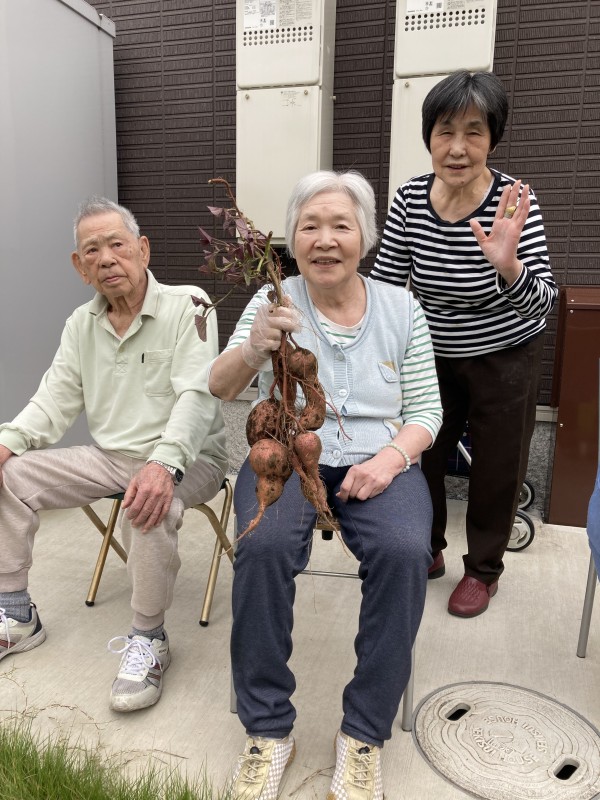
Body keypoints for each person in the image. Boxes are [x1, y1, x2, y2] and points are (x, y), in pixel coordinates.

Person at [209, 171, 442, 800]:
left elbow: (427, 412)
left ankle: (363, 734)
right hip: (286, 454)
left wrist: (390, 460)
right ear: (292, 239)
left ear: (365, 236)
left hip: (379, 459)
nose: (325, 239)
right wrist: (254, 348)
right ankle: (267, 729)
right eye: (309, 226)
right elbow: (221, 387)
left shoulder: (401, 308)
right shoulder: (274, 303)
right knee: (261, 546)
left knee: (403, 552)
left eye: (341, 225)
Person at [0, 197, 227, 712]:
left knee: (144, 501)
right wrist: (7, 443)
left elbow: (197, 396)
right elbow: (54, 399)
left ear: (143, 250)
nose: (106, 259)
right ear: (80, 267)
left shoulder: (189, 305)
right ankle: (16, 614)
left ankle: (149, 638)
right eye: (92, 251)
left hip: (192, 458)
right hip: (111, 456)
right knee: (11, 475)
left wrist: (164, 463)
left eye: (117, 245)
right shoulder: (80, 324)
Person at [371, 70, 558, 618]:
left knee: (497, 465)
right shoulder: (410, 198)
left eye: (474, 132)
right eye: (445, 131)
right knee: (420, 453)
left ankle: (482, 570)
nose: (457, 148)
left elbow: (543, 303)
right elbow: (386, 285)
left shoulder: (513, 203)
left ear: (492, 139)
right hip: (430, 352)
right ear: (428, 137)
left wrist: (509, 266)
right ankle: (424, 547)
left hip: (506, 353)